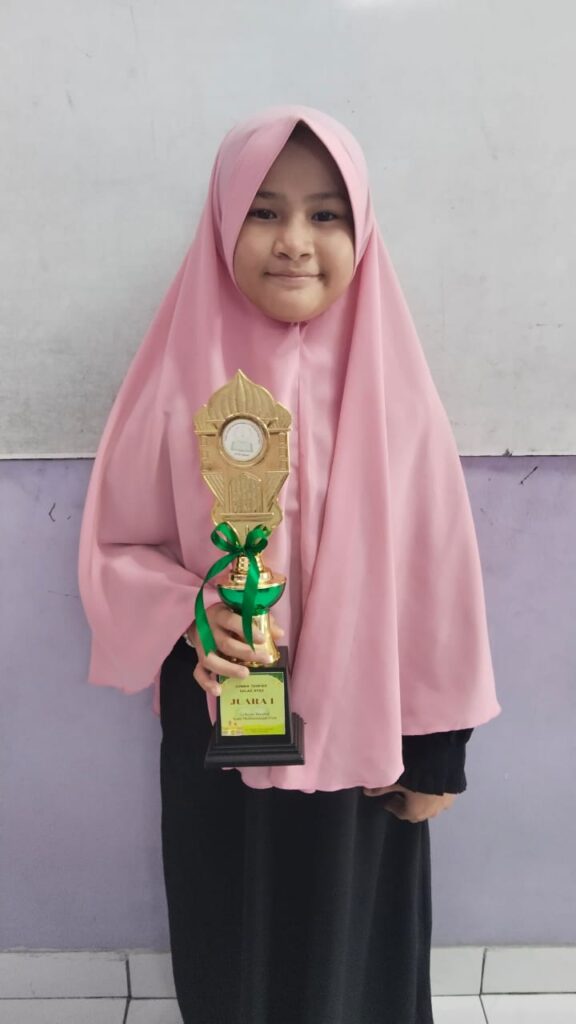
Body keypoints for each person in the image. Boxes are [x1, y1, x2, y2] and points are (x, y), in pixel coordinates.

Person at [78, 106, 501, 1024]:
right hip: (220, 722)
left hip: (367, 742)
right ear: (222, 220)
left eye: (326, 214)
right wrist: (194, 611)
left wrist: (438, 752)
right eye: (264, 211)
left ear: (362, 228)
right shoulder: (173, 382)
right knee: (230, 951)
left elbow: (438, 578)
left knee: (352, 962)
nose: (295, 242)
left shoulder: (393, 389)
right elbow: (116, 548)